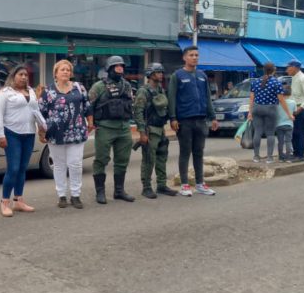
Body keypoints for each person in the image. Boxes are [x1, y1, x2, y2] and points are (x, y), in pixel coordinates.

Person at [39, 60, 93, 208]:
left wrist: (91, 123)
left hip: (76, 131)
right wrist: (41, 131)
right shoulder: (48, 91)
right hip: (56, 134)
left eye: (68, 70)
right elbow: (41, 113)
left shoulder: (79, 87)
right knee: (59, 165)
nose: (65, 72)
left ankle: (76, 195)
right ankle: (61, 195)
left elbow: (87, 106)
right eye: (62, 70)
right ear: (56, 73)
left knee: (75, 164)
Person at [168, 46, 219, 196]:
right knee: (185, 152)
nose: (195, 57)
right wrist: (173, 118)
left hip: (201, 120)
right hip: (184, 121)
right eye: (191, 55)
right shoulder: (177, 76)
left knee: (199, 152)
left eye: (196, 55)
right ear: (185, 57)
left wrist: (213, 117)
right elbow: (172, 98)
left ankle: (200, 183)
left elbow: (207, 98)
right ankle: (184, 184)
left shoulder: (202, 75)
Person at [0, 65, 43, 217]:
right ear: (13, 76)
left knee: (23, 168)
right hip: (12, 133)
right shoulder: (5, 92)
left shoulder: (31, 92)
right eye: (20, 74)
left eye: (26, 75)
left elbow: (36, 112)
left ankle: (18, 200)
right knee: (13, 169)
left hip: (29, 133)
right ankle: (4, 202)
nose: (23, 77)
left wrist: (41, 128)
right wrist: (0, 135)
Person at [89, 56, 136, 204]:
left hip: (123, 128)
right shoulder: (99, 86)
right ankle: (100, 192)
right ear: (109, 69)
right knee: (101, 159)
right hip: (105, 127)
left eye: (122, 66)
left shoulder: (127, 86)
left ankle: (119, 191)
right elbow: (89, 106)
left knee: (122, 160)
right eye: (116, 66)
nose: (120, 69)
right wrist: (90, 123)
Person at [133, 63, 178, 199]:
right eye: (158, 72)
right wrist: (142, 132)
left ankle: (161, 185)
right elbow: (138, 112)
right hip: (150, 129)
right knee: (148, 159)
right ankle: (146, 187)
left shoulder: (160, 90)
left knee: (161, 158)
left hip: (161, 129)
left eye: (161, 72)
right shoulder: (143, 91)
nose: (161, 75)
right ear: (151, 74)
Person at [248, 62, 293, 164]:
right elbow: (281, 99)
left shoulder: (255, 82)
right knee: (270, 133)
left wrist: (250, 112)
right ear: (274, 70)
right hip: (271, 109)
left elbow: (251, 97)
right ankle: (269, 157)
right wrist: (289, 114)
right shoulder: (276, 83)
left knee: (257, 132)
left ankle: (256, 156)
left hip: (257, 108)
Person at [286, 60, 304, 162]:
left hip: (300, 109)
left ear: (295, 67)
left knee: (300, 132)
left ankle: (300, 155)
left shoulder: (303, 78)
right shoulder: (294, 78)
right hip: (294, 108)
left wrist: (301, 108)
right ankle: (295, 153)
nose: (287, 70)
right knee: (294, 132)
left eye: (289, 67)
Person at [276, 85, 296, 163]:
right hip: (289, 124)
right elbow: (294, 113)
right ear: (290, 94)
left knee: (280, 142)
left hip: (279, 125)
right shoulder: (293, 102)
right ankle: (288, 158)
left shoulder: (278, 102)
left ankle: (281, 157)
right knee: (288, 141)